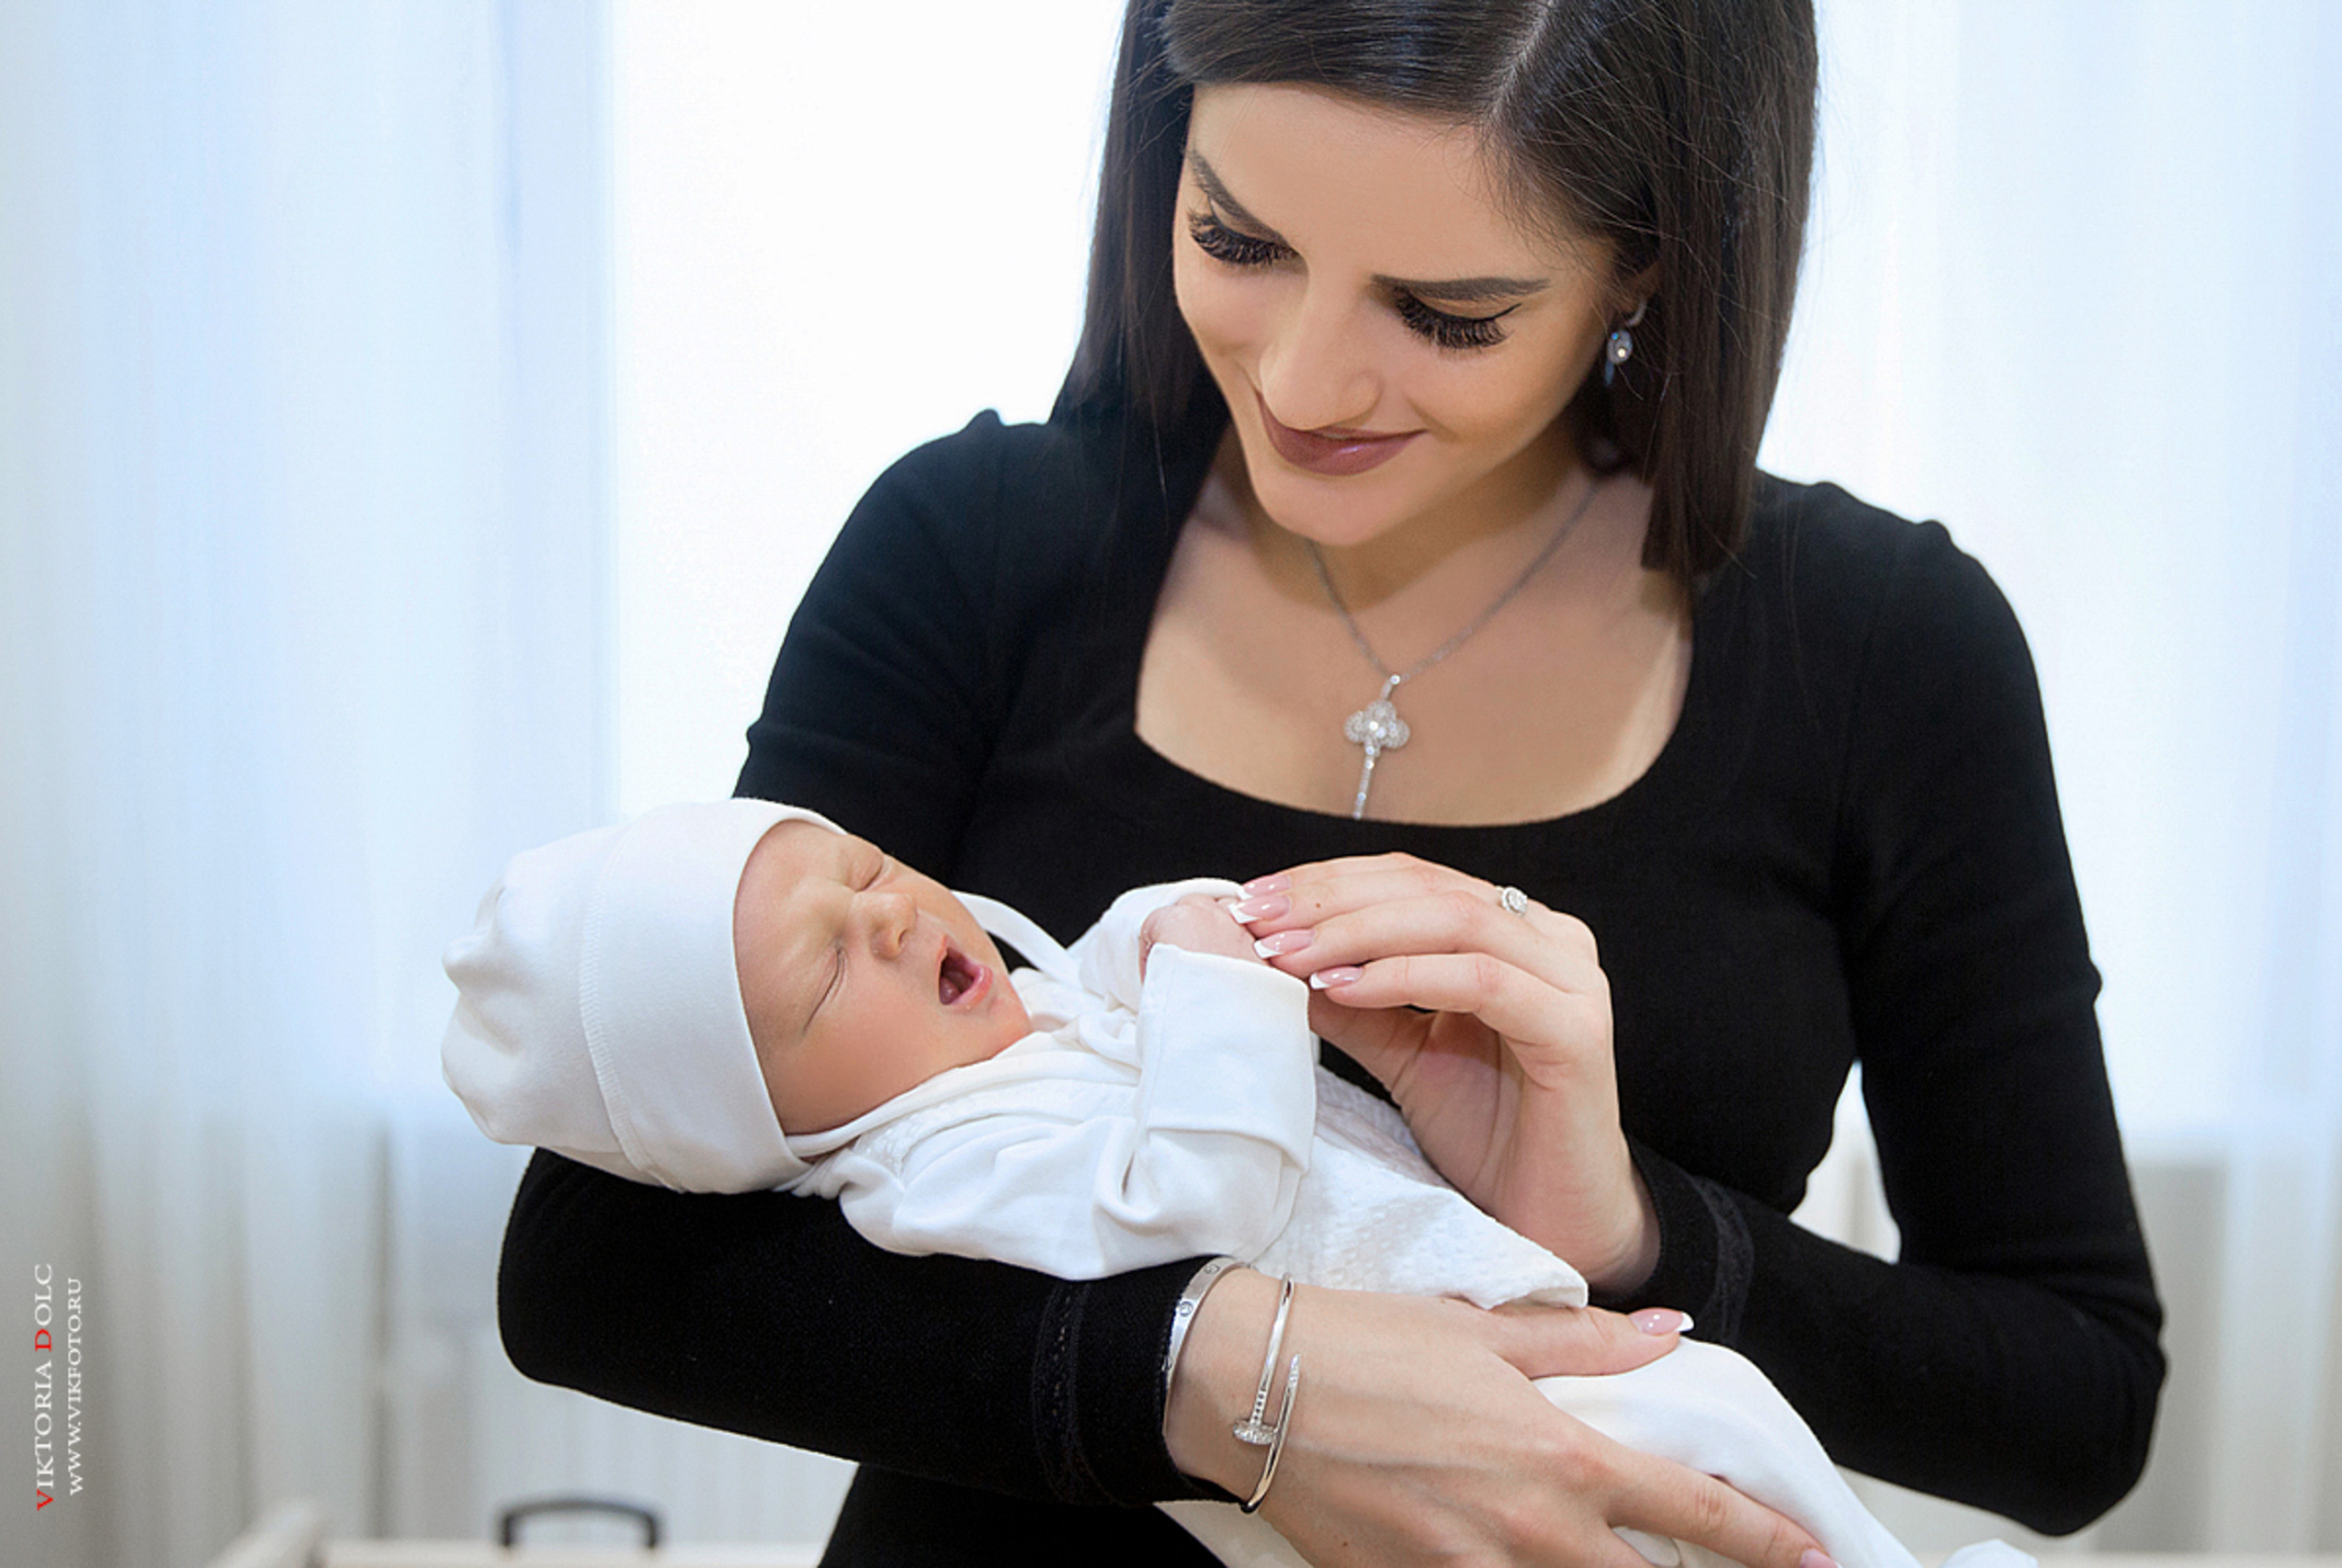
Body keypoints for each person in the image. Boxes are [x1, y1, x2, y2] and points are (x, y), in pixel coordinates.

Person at [493, 3, 2166, 1563]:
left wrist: (1634, 1232)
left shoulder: (1888, 653)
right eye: (1237, 239)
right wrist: (1220, 1374)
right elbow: (591, 1263)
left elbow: (2074, 1398)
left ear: (1648, 261)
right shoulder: (971, 553)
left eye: (1445, 314)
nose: (1298, 383)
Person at [443, 798, 2009, 1568]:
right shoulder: (927, 1167)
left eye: (860, 867)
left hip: (1502, 1332)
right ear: (765, 1127)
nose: (885, 909)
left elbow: (1113, 976)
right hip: (1432, 1403)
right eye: (817, 977)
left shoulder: (1007, 1024)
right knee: (1707, 1446)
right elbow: (1196, 1210)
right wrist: (1220, 991)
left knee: (1722, 1434)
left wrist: (1183, 926)